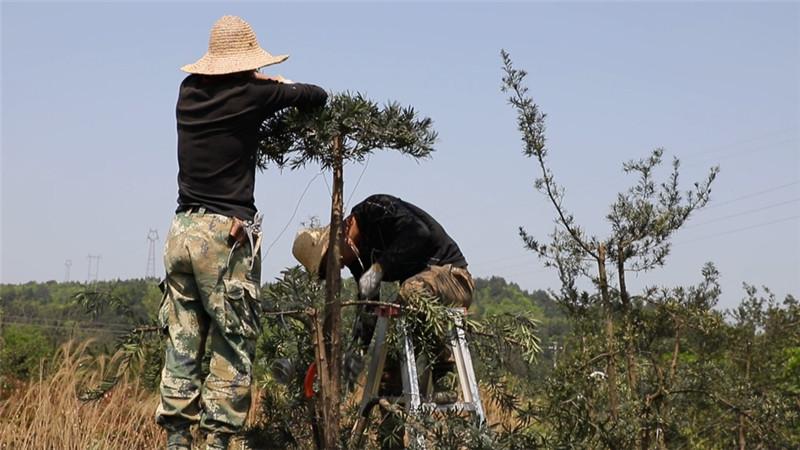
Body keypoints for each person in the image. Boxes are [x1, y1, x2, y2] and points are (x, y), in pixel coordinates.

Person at [156, 15, 327, 450]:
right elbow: (315, 96)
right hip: (223, 234)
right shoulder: (253, 93)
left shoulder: (187, 92)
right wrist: (273, 82)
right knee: (232, 342)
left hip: (181, 229)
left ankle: (177, 439)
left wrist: (256, 82)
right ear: (247, 63)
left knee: (182, 338)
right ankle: (217, 443)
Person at [292, 193, 474, 449]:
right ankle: (391, 440)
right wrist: (356, 355)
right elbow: (370, 307)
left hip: (452, 278)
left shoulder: (375, 209)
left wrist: (379, 269)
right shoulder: (357, 258)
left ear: (340, 235)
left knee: (410, 291)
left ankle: (445, 372)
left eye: (336, 260)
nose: (342, 265)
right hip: (418, 296)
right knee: (387, 358)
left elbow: (419, 234)